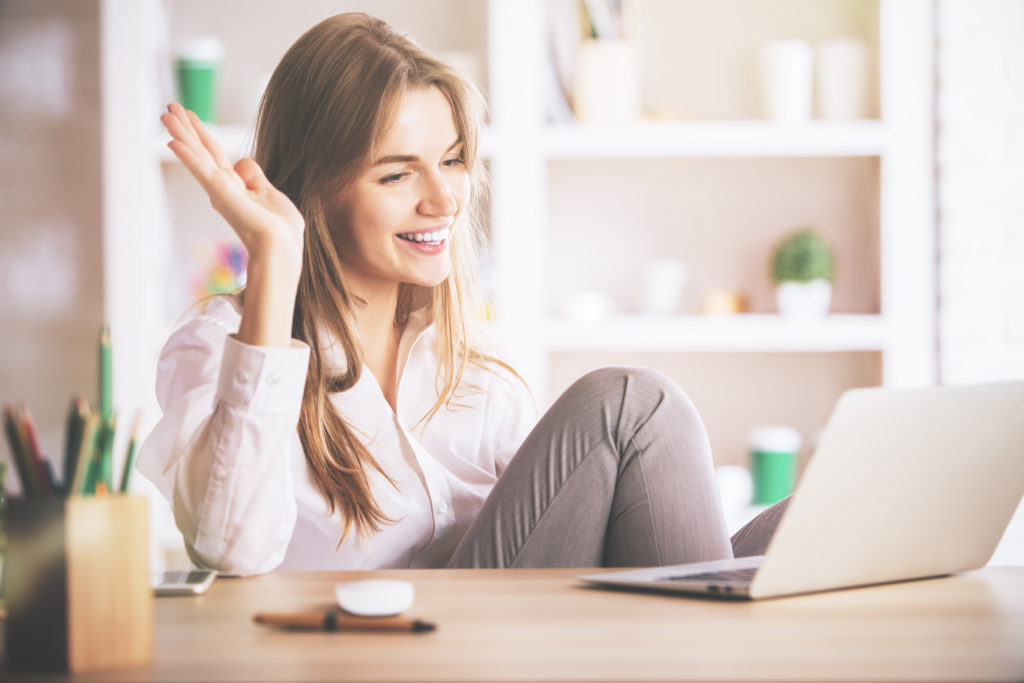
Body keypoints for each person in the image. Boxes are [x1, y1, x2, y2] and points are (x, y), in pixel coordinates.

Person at [139, 12, 785, 575]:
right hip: (388, 651)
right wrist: (277, 257)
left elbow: (562, 535)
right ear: (315, 189)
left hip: (518, 637)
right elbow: (229, 548)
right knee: (631, 405)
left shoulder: (473, 370)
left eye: (451, 160)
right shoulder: (220, 347)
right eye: (397, 173)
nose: (445, 199)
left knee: (824, 516)